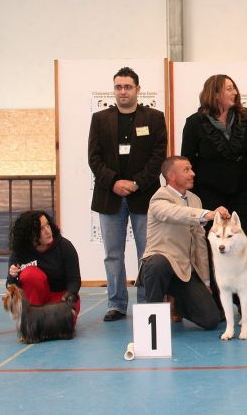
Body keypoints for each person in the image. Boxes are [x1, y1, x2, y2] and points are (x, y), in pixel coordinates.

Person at [88, 66, 168, 321]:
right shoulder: (100, 119)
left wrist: (135, 183)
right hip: (109, 196)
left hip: (144, 196)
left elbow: (158, 158)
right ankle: (117, 303)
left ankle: (146, 302)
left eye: (128, 87)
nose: (123, 92)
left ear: (138, 90)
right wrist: (113, 182)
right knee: (113, 254)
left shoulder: (154, 118)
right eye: (118, 87)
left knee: (148, 253)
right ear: (114, 90)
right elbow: (94, 158)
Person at [180, 74, 247, 311]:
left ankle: (240, 298)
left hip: (241, 191)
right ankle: (218, 299)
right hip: (209, 194)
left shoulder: (245, 117)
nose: (234, 92)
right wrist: (192, 196)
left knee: (239, 243)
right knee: (215, 246)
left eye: (234, 88)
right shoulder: (195, 122)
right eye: (229, 89)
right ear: (215, 93)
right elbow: (188, 159)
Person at [139, 156, 229, 330]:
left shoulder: (195, 200)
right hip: (159, 268)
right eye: (186, 170)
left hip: (184, 271)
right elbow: (176, 213)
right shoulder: (158, 199)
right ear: (171, 176)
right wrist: (208, 214)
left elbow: (200, 244)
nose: (193, 174)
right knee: (157, 263)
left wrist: (206, 282)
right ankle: (152, 322)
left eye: (191, 169)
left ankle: (177, 303)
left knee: (211, 320)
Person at [7, 210, 81, 319]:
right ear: (30, 234)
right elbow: (10, 287)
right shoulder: (20, 252)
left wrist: (70, 296)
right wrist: (12, 276)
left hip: (61, 299)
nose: (47, 231)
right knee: (29, 274)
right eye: (41, 229)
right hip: (35, 302)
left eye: (47, 225)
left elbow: (74, 280)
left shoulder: (65, 246)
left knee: (59, 327)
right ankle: (32, 318)